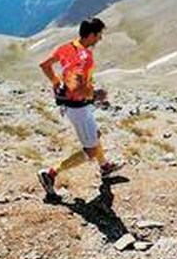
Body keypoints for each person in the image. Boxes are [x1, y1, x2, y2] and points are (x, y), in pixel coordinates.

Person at [37, 17, 121, 199]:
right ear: (91, 35)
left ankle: (105, 167)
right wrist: (95, 94)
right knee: (90, 150)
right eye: (99, 35)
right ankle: (50, 174)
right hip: (79, 108)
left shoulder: (66, 47)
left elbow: (45, 65)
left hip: (73, 106)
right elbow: (77, 89)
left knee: (95, 136)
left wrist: (56, 82)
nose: (100, 39)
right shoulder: (85, 58)